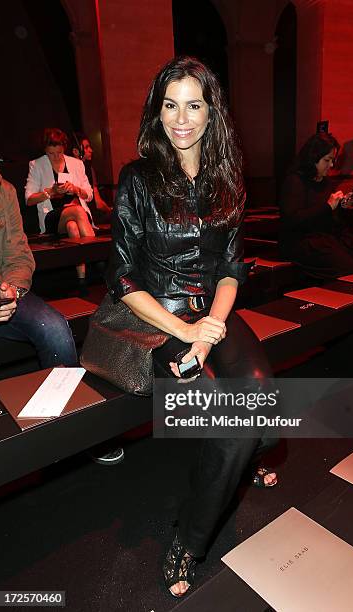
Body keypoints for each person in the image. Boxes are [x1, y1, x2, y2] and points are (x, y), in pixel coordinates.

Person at [105, 56, 277, 598]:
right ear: (158, 113)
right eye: (170, 105)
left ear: (212, 114)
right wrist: (183, 333)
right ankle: (190, 541)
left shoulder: (229, 182)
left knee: (265, 408)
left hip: (213, 315)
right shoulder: (137, 179)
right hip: (156, 318)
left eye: (194, 105)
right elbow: (123, 278)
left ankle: (236, 466)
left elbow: (231, 269)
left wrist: (210, 329)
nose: (182, 118)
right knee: (233, 428)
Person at [0, 166, 77, 368]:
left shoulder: (4, 190)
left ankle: (67, 398)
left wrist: (13, 288)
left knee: (54, 328)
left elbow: (17, 254)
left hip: (1, 286)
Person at [279, 132, 353, 279]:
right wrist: (328, 206)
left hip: (324, 237)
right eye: (327, 160)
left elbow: (332, 220)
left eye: (332, 160)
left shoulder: (326, 183)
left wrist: (343, 207)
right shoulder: (295, 181)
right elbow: (293, 220)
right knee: (346, 267)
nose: (331, 165)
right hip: (301, 240)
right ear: (313, 159)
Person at [25, 128, 95, 295]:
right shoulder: (36, 164)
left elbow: (90, 195)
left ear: (64, 148)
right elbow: (28, 199)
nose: (56, 157)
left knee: (73, 227)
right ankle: (96, 255)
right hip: (52, 217)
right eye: (51, 153)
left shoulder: (77, 164)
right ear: (45, 151)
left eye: (59, 152)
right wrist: (50, 192)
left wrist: (76, 189)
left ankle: (82, 280)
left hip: (75, 218)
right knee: (77, 211)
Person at [71, 133, 112, 225]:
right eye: (86, 147)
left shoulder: (88, 168)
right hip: (87, 216)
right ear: (75, 151)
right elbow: (98, 203)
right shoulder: (83, 169)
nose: (91, 150)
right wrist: (111, 210)